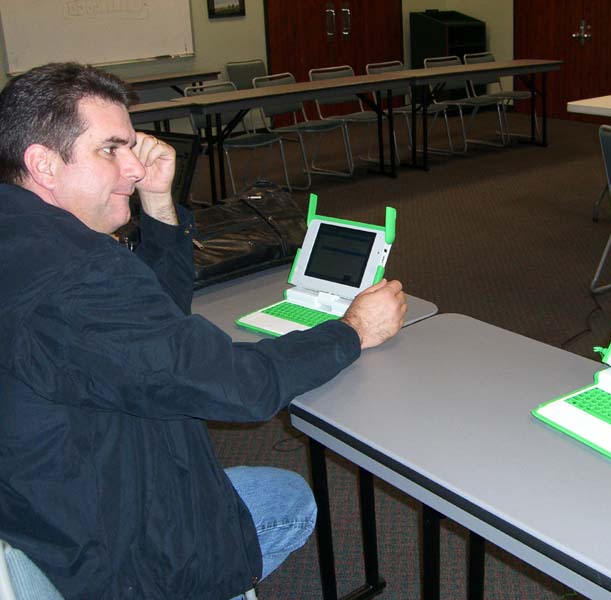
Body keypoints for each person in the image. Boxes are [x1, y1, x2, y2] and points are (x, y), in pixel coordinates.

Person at [0, 62, 407, 599]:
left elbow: (151, 322)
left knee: (267, 490)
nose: (136, 169)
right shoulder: (78, 277)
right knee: (288, 503)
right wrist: (351, 330)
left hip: (42, 515)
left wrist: (158, 205)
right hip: (117, 559)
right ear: (44, 164)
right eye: (110, 150)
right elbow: (238, 386)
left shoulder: (26, 240)